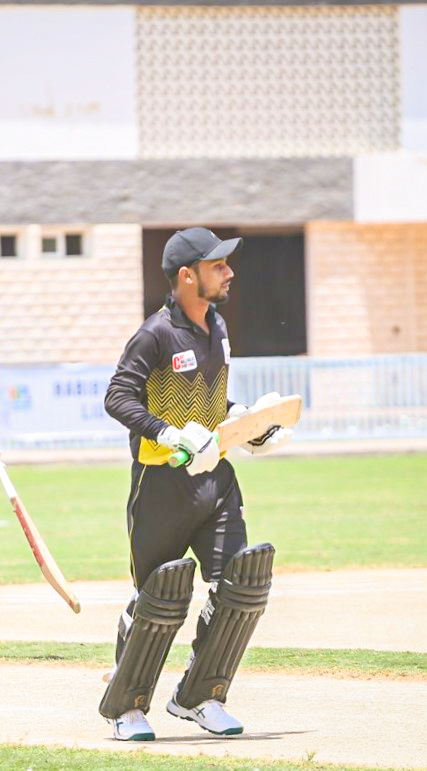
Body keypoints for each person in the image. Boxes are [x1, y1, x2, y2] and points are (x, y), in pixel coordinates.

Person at [98, 227, 293, 741]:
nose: (229, 273)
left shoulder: (218, 327)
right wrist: (168, 433)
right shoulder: (155, 334)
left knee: (241, 583)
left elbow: (208, 401)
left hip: (217, 481)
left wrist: (246, 424)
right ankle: (126, 706)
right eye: (217, 265)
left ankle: (199, 697)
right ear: (187, 276)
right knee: (157, 596)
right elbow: (117, 398)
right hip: (162, 483)